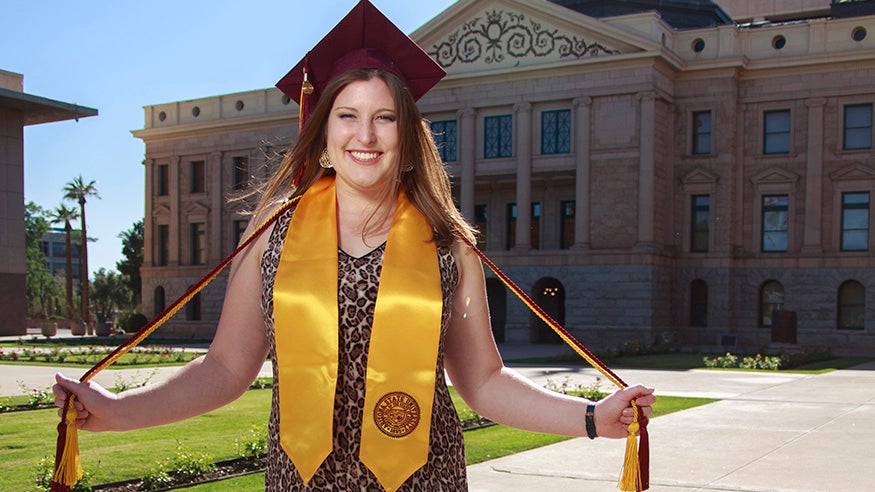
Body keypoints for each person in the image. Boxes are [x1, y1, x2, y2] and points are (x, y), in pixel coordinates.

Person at [53, 1, 655, 490]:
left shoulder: (448, 239)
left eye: (385, 118)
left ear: (408, 132)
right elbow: (226, 367)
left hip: (424, 478)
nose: (365, 136)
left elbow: (484, 382)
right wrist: (119, 410)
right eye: (347, 115)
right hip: (301, 480)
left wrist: (592, 419)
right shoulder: (272, 229)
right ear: (322, 126)